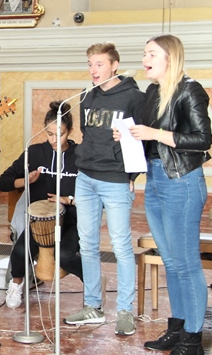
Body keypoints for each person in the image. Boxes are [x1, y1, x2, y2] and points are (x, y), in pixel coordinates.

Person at [116, 35, 212, 354]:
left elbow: (202, 139)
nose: (144, 59)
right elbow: (148, 142)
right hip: (156, 179)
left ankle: (193, 340)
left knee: (186, 263)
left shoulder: (190, 90)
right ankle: (178, 328)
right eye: (144, 53)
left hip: (182, 181)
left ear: (170, 58)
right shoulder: (153, 92)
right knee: (170, 262)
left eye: (151, 54)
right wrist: (128, 137)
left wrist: (154, 133)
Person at [64, 42, 145, 336]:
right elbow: (87, 134)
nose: (93, 70)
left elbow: (142, 138)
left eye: (99, 64)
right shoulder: (87, 96)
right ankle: (92, 306)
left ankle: (125, 310)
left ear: (114, 65)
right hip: (86, 177)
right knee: (87, 245)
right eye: (90, 64)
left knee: (121, 245)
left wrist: (132, 173)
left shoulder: (134, 97)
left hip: (116, 179)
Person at [0, 101, 81, 308]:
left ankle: (94, 284)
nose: (54, 140)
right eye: (49, 134)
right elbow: (3, 182)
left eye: (60, 134)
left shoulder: (80, 155)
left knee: (65, 256)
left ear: (70, 131)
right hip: (39, 224)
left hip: (71, 222)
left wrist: (68, 200)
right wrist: (26, 181)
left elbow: (96, 195)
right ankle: (16, 284)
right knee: (19, 252)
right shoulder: (34, 153)